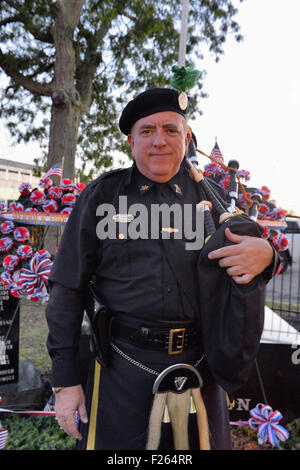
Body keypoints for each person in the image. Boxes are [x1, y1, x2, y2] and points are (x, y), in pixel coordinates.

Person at [45, 87, 278, 450]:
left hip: (202, 368)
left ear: (186, 138)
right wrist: (65, 381)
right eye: (147, 131)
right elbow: (66, 288)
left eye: (171, 130)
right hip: (123, 369)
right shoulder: (101, 197)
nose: (159, 141)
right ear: (130, 141)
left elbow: (250, 254)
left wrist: (268, 255)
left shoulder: (215, 199)